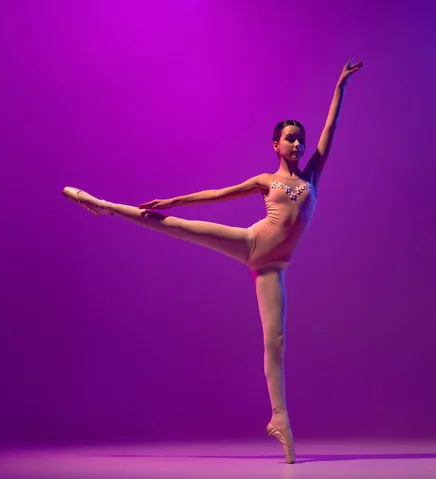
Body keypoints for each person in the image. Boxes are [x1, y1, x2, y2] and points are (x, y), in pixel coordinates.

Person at [62, 59, 363, 464]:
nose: (298, 144)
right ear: (275, 145)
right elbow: (219, 193)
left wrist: (340, 85)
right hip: (251, 243)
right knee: (179, 226)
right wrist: (173, 199)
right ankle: (103, 205)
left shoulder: (311, 178)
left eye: (300, 139)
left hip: (274, 269)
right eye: (290, 139)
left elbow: (331, 130)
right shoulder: (265, 181)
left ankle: (280, 419)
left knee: (275, 343)